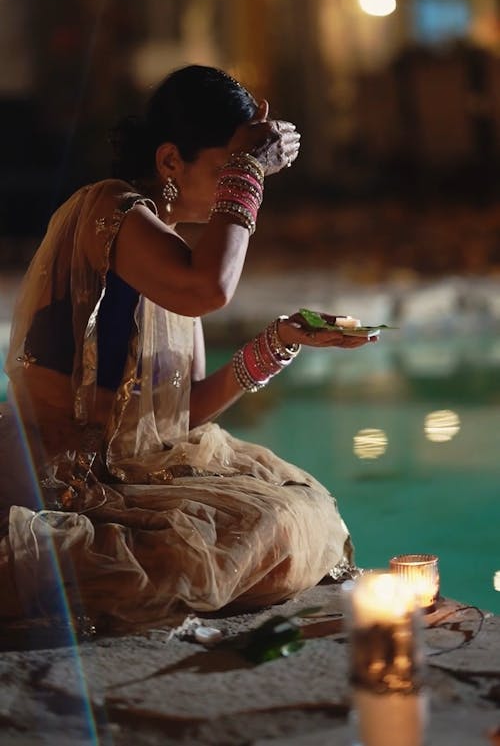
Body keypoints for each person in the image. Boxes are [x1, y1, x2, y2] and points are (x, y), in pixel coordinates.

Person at [0, 65, 376, 631]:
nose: (237, 187)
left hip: (133, 466)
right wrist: (252, 168)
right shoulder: (109, 207)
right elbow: (211, 289)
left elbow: (183, 413)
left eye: (242, 173)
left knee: (301, 508)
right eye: (228, 168)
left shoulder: (169, 248)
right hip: (63, 473)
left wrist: (277, 342)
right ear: (170, 160)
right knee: (262, 528)